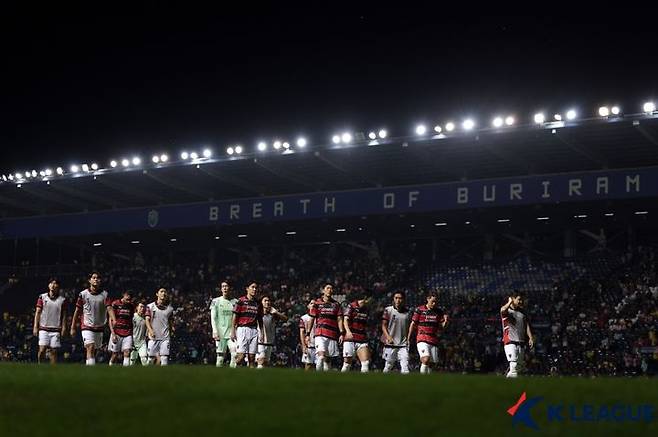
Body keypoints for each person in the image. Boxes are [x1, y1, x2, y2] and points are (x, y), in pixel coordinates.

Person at [70, 272, 116, 366]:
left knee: (94, 349)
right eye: (94, 278)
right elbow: (77, 311)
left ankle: (89, 365)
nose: (96, 279)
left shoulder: (105, 294)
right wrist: (73, 326)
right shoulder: (83, 294)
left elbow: (109, 308)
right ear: (89, 280)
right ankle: (91, 371)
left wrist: (114, 319)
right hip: (86, 326)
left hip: (99, 327)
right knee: (90, 347)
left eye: (98, 278)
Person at [407, 291, 448, 374]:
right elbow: (413, 324)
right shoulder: (419, 310)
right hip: (422, 337)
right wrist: (408, 338)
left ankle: (429, 382)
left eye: (436, 302)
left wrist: (446, 321)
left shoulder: (439, 312)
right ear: (427, 299)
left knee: (432, 364)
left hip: (433, 339)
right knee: (426, 359)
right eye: (432, 301)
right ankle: (422, 380)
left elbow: (443, 327)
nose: (434, 303)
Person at [308, 283, 343, 372]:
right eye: (327, 288)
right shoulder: (317, 303)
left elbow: (339, 319)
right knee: (321, 357)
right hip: (320, 333)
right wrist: (308, 334)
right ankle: (317, 378)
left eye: (331, 288)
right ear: (323, 290)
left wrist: (342, 333)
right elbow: (311, 318)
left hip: (332, 334)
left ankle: (326, 379)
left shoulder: (336, 304)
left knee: (328, 360)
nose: (329, 290)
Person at [500, 291, 534, 378]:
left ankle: (504, 385)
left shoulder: (522, 312)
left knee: (518, 367)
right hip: (510, 341)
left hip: (521, 342)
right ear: (513, 298)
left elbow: (526, 325)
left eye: (521, 300)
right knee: (514, 365)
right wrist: (509, 302)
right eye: (519, 299)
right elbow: (502, 310)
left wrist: (530, 337)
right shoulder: (507, 311)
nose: (521, 301)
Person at [33, 278, 67, 364]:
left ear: (58, 286)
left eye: (55, 283)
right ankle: (40, 366)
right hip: (43, 328)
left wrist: (63, 328)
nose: (53, 285)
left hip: (56, 329)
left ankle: (52, 370)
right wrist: (35, 327)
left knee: (54, 351)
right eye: (51, 283)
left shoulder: (62, 300)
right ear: (48, 285)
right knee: (42, 350)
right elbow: (38, 312)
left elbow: (64, 316)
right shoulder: (42, 297)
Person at [231, 281, 264, 368]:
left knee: (252, 358)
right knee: (241, 357)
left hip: (254, 330)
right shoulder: (241, 301)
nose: (254, 289)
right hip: (242, 329)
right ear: (247, 288)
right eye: (252, 287)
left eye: (256, 288)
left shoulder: (258, 303)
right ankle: (233, 371)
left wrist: (262, 333)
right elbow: (234, 317)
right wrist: (233, 331)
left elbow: (260, 319)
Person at [381, 291, 411, 374]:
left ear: (404, 300)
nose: (398, 300)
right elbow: (383, 325)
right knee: (388, 366)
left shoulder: (408, 313)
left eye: (400, 298)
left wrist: (409, 339)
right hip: (390, 344)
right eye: (396, 298)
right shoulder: (388, 310)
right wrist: (388, 337)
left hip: (403, 345)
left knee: (405, 368)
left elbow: (410, 328)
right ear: (393, 299)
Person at [210, 281, 238, 368]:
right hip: (220, 333)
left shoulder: (236, 302)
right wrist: (214, 331)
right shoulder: (216, 301)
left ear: (230, 288)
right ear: (221, 289)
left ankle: (232, 376)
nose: (225, 288)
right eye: (223, 286)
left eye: (226, 286)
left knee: (235, 355)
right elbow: (213, 317)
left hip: (232, 334)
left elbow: (237, 318)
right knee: (220, 358)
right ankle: (218, 376)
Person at [341, 294, 372, 373]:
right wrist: (348, 331)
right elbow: (345, 320)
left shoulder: (367, 309)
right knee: (347, 364)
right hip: (350, 338)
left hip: (362, 339)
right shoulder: (351, 306)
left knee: (365, 363)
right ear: (366, 298)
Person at [256, 296, 288, 368]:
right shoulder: (258, 314)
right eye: (265, 300)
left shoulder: (273, 314)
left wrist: (276, 312)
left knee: (266, 363)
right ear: (261, 303)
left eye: (268, 300)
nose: (267, 302)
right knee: (261, 361)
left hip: (270, 342)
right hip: (260, 342)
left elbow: (285, 319)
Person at [145, 288, 174, 366]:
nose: (163, 293)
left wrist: (170, 333)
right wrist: (150, 330)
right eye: (161, 291)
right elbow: (147, 320)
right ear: (157, 294)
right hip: (153, 336)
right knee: (151, 358)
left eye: (165, 292)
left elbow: (170, 322)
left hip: (165, 337)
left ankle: (164, 376)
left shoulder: (170, 309)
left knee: (164, 357)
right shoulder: (150, 306)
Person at [109, 290, 135, 366]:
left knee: (127, 352)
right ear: (123, 295)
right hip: (117, 332)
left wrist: (132, 334)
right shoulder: (115, 304)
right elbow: (111, 320)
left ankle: (126, 372)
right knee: (115, 354)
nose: (128, 301)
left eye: (130, 300)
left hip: (128, 333)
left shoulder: (131, 306)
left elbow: (131, 320)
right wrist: (113, 334)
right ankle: (110, 366)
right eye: (127, 299)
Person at [299, 300, 316, 371]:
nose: (313, 305)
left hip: (319, 345)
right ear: (308, 306)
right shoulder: (304, 318)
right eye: (311, 303)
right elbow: (302, 332)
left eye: (315, 304)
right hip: (309, 345)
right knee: (308, 366)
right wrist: (303, 345)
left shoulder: (320, 317)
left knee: (319, 366)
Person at [130, 301, 148, 365]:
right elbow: (130, 329)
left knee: (144, 359)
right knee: (132, 361)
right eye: (140, 307)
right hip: (133, 342)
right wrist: (130, 341)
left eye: (143, 307)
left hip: (142, 342)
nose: (142, 309)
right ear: (137, 307)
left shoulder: (146, 318)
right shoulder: (133, 317)